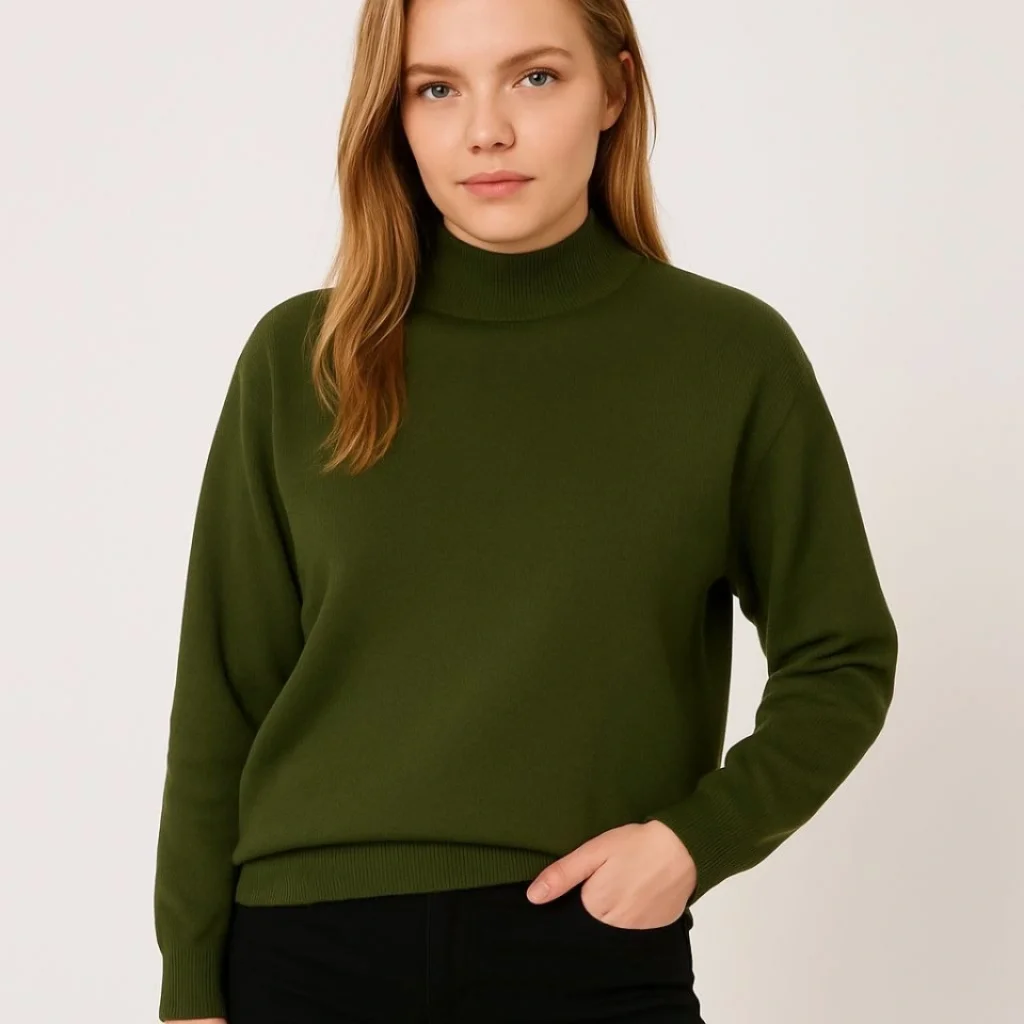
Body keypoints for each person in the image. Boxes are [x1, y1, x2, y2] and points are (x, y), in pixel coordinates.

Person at [153, 0, 899, 1020]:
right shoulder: (305, 358)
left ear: (615, 88)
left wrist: (694, 842)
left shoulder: (727, 357)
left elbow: (841, 657)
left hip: (587, 946)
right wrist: (189, 989)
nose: (486, 130)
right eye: (436, 88)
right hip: (305, 951)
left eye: (535, 77)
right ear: (393, 114)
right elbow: (222, 693)